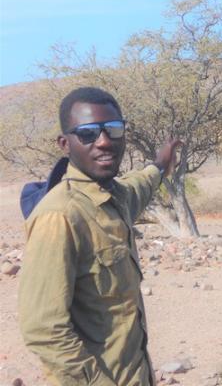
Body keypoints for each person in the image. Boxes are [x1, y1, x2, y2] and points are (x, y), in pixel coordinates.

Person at [18, 86, 181, 386]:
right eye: (88, 133)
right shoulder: (60, 216)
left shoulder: (115, 198)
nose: (104, 141)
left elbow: (139, 186)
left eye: (113, 129)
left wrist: (160, 166)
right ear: (65, 144)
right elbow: (43, 328)